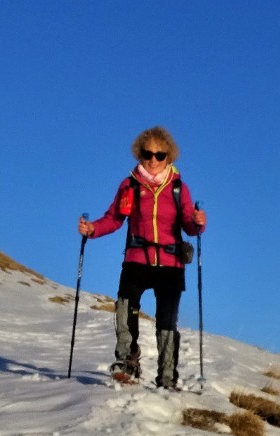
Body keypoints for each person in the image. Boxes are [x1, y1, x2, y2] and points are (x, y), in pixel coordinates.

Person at [78, 127, 207, 388]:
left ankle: (167, 376)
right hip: (136, 258)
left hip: (171, 263)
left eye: (160, 154)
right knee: (125, 306)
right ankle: (127, 360)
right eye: (148, 153)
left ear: (169, 156)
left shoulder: (179, 188)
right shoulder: (130, 185)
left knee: (167, 321)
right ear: (140, 153)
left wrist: (198, 223)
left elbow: (189, 227)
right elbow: (114, 218)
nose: (153, 159)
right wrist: (92, 230)